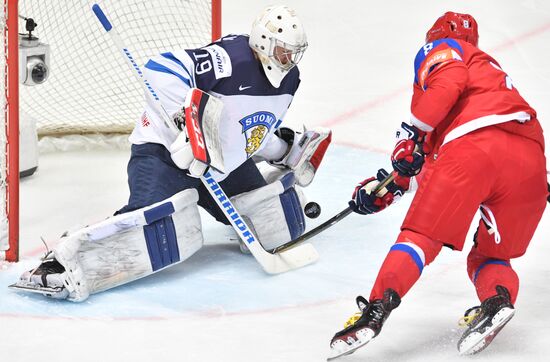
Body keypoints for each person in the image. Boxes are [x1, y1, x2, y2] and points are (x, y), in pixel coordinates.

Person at [13, 5, 331, 302]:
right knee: (156, 229)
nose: (288, 58)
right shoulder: (233, 58)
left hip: (223, 169)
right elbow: (162, 68)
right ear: (263, 43)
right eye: (282, 50)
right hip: (165, 156)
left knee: (277, 224)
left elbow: (250, 131)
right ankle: (63, 261)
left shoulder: (290, 80)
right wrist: (187, 123)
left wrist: (285, 150)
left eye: (293, 52)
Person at [328, 11, 547, 359]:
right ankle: (497, 300)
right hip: (531, 161)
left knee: (421, 238)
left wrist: (410, 133)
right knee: (490, 256)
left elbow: (449, 85)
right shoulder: (491, 78)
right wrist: (390, 186)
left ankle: (374, 311)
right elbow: (426, 164)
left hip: (474, 149)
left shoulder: (445, 50)